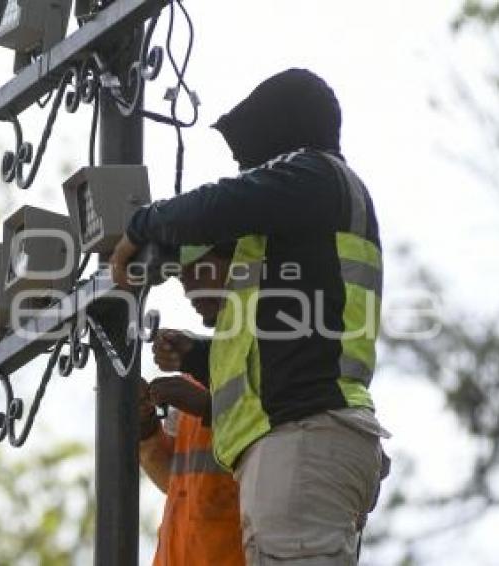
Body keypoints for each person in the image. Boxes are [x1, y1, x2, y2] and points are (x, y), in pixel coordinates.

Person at [112, 68, 391, 565]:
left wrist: (141, 226)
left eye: (254, 158)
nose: (248, 170)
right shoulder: (313, 213)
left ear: (283, 132)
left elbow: (221, 203)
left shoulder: (317, 174)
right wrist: (200, 356)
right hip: (308, 439)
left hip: (304, 440)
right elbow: (283, 352)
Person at [138, 243, 244, 566]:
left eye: (198, 271)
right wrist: (146, 428)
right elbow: (178, 482)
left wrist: (206, 406)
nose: (188, 290)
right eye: (182, 278)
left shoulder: (280, 356)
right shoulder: (198, 369)